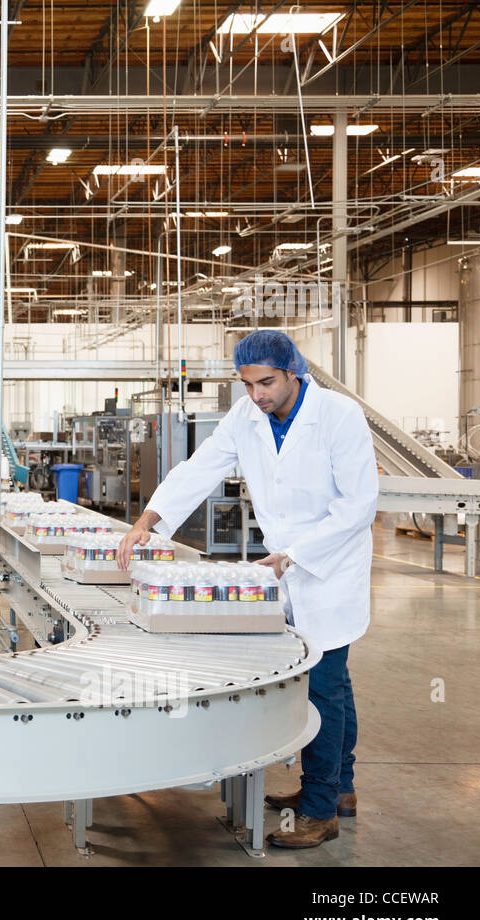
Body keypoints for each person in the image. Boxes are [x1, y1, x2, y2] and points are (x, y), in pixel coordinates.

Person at [116, 330, 377, 849]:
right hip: (283, 566)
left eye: (267, 382)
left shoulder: (339, 416)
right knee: (333, 681)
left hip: (329, 566)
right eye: (247, 384)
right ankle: (340, 788)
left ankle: (321, 809)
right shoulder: (246, 418)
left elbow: (358, 505)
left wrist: (297, 554)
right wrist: (148, 520)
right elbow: (199, 469)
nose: (256, 394)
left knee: (321, 684)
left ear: (293, 372)